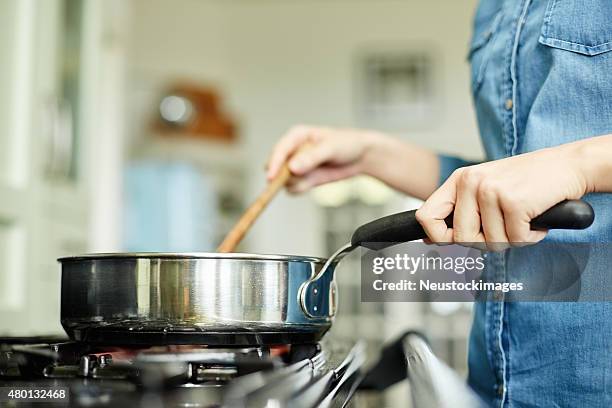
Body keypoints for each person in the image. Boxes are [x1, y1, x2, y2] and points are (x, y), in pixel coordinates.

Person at [266, 1, 612, 406]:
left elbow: (556, 171)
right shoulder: (494, 11)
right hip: (498, 378)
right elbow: (504, 185)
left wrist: (579, 166)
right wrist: (368, 154)